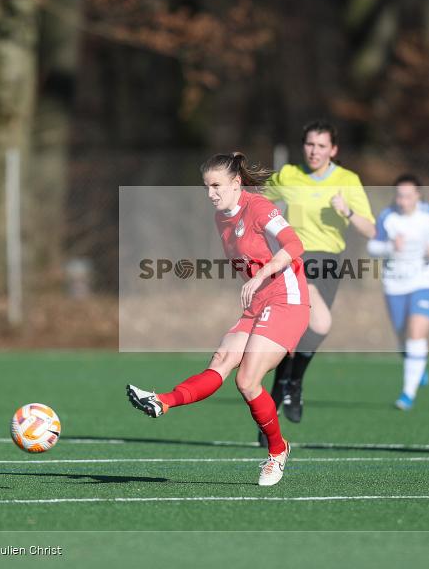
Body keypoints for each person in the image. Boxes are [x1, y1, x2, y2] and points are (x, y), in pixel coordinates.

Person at [126, 152, 310, 487]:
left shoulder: (259, 208)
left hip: (287, 301)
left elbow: (295, 245)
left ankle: (277, 451)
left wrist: (262, 274)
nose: (210, 193)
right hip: (259, 304)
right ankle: (162, 401)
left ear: (236, 183)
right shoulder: (221, 217)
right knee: (221, 362)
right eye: (206, 186)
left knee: (247, 381)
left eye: (216, 185)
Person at [264, 120, 375, 424]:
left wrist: (347, 212)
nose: (314, 151)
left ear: (333, 149)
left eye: (321, 146)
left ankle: (282, 392)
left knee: (304, 335)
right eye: (310, 144)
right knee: (314, 324)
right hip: (294, 259)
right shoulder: (288, 175)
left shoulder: (347, 180)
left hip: (330, 262)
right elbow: (259, 202)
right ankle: (290, 387)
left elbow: (371, 229)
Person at [367, 174, 429, 410]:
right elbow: (372, 246)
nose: (403, 200)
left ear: (418, 195)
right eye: (399, 195)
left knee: (416, 334)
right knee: (403, 339)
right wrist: (390, 247)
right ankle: (418, 367)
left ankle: (407, 394)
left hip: (424, 281)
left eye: (408, 196)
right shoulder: (388, 217)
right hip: (394, 284)